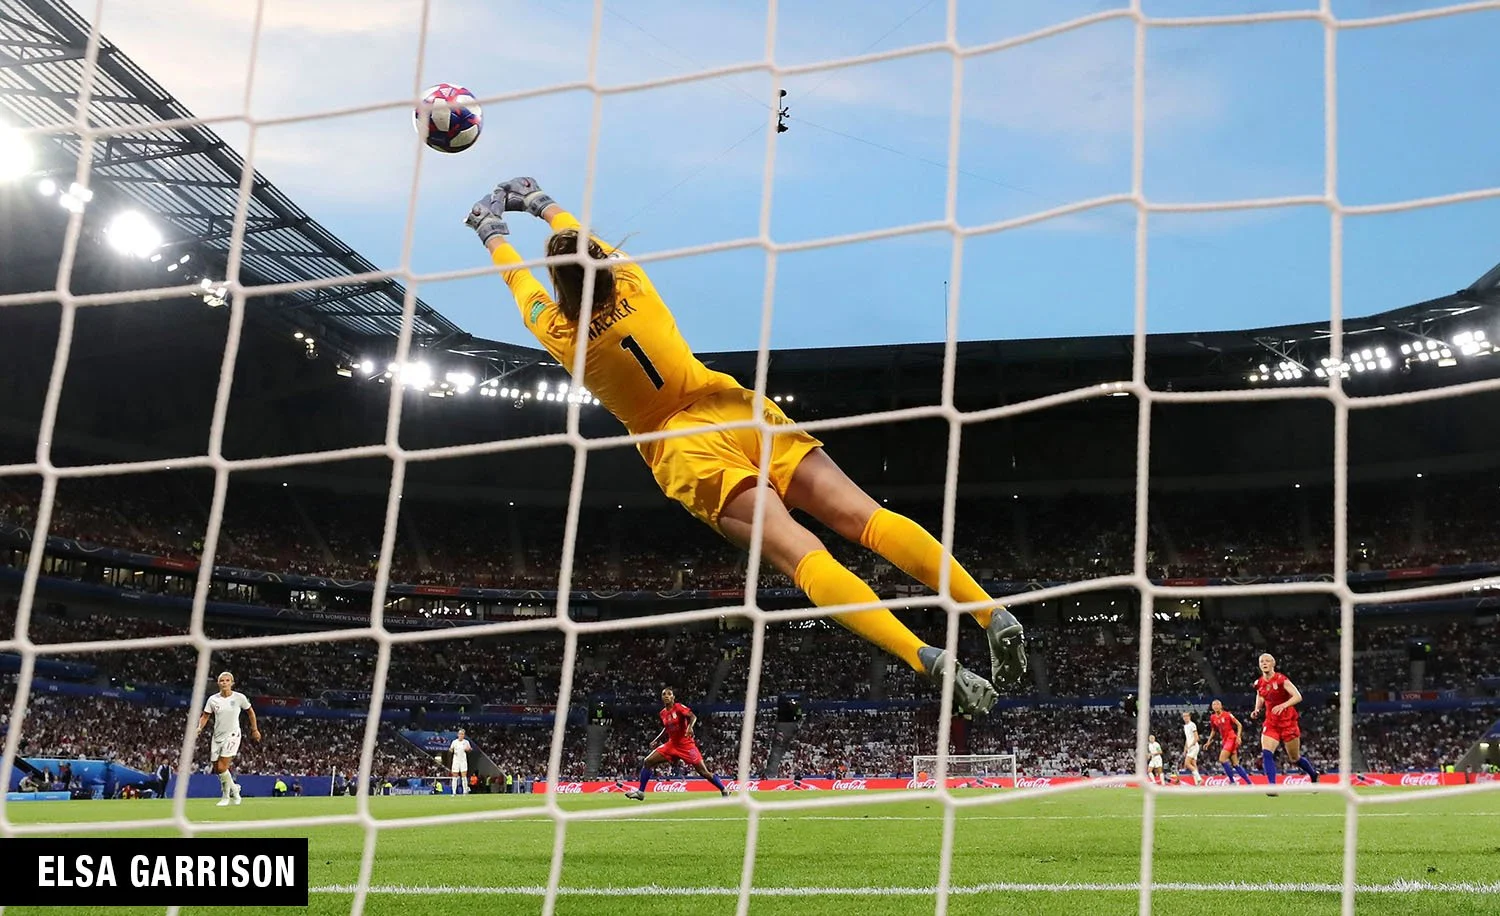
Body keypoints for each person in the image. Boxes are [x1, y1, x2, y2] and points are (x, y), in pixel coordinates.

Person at [466, 178, 1026, 714]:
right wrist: (540, 202)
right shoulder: (633, 283)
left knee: (803, 556)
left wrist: (491, 232)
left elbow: (522, 287)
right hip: (739, 410)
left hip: (684, 447)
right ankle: (988, 610)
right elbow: (588, 243)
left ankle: (922, 657)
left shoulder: (561, 334)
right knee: (868, 519)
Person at [624, 688, 729, 801]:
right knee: (648, 761)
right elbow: (667, 727)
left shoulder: (678, 707)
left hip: (686, 745)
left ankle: (724, 789)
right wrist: (657, 739)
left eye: (669, 694)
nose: (666, 696)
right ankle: (640, 792)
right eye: (664, 694)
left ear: (673, 697)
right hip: (671, 745)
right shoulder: (663, 713)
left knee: (704, 772)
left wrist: (689, 727)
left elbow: (693, 717)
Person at [1251, 653, 1320, 786]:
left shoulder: (1281, 679)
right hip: (1271, 723)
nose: (1264, 663)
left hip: (1288, 722)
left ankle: (1313, 774)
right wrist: (1257, 709)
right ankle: (1272, 786)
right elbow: (1260, 695)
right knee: (1266, 753)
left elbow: (1298, 696)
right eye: (1261, 661)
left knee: (1294, 758)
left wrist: (1284, 705)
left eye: (1267, 661)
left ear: (1273, 663)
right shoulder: (1258, 683)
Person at [196, 671, 259, 807]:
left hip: (233, 735)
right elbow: (205, 716)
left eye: (227, 680)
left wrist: (254, 729)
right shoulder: (213, 699)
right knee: (217, 768)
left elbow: (250, 712)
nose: (224, 683)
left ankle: (225, 796)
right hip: (217, 736)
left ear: (232, 683)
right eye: (222, 681)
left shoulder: (239, 698)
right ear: (218, 683)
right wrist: (199, 728)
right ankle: (235, 789)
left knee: (222, 766)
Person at [1204, 699, 1253, 785]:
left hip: (1231, 738)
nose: (1215, 706)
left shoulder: (1227, 715)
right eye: (1213, 705)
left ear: (1221, 706)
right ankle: (1250, 783)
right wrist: (1208, 741)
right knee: (1235, 764)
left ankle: (1232, 781)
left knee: (1222, 759)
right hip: (1225, 740)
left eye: (1217, 704)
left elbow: (1239, 725)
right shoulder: (1213, 717)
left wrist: (1238, 737)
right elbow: (1213, 730)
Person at [1181, 710, 1202, 786]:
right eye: (1184, 716)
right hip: (1190, 747)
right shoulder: (1185, 726)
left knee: (1187, 764)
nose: (1185, 717)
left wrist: (1191, 745)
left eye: (1186, 716)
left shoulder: (1192, 725)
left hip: (1194, 747)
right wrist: (1185, 748)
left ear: (1189, 717)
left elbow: (1196, 737)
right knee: (1193, 764)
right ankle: (1197, 783)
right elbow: (1187, 738)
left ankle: (1199, 778)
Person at [449, 729, 472, 796]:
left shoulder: (466, 742)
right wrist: (451, 750)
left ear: (464, 735)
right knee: (454, 776)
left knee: (464, 776)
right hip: (456, 760)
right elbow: (451, 749)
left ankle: (465, 791)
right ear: (458, 735)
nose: (461, 735)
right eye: (460, 734)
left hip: (463, 761)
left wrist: (468, 749)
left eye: (462, 734)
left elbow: (470, 749)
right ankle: (454, 792)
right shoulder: (454, 742)